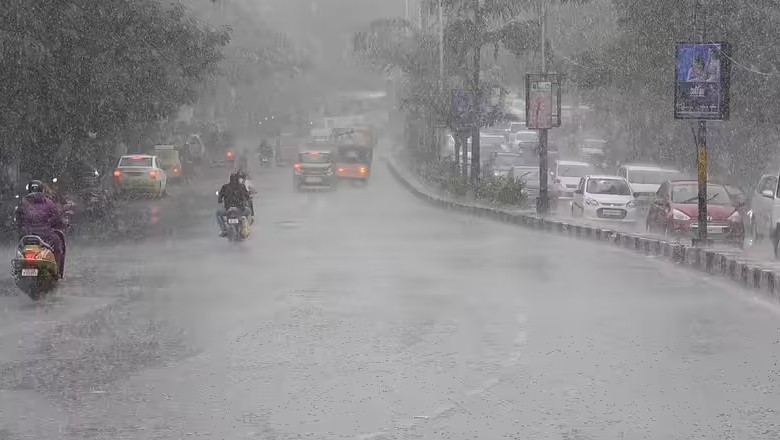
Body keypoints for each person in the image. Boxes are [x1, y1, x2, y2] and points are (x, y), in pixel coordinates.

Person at [15, 180, 67, 279]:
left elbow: (18, 219)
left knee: (20, 246)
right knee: (57, 244)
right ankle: (57, 273)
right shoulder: (49, 203)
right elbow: (56, 219)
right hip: (45, 236)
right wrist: (60, 224)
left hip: (27, 236)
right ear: (42, 189)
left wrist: (23, 228)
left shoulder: (23, 203)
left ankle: (18, 270)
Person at [216, 172, 252, 237]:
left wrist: (220, 200)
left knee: (218, 213)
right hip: (240, 209)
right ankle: (246, 228)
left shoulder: (225, 187)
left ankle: (223, 229)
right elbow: (247, 197)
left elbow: (220, 196)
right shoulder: (242, 186)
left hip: (228, 209)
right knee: (249, 212)